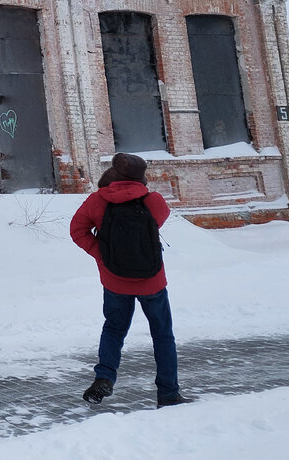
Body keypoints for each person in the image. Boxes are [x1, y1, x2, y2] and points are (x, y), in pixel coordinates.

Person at [70, 152, 192, 408]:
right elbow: (156, 222)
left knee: (113, 329)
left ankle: (105, 377)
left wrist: (103, 256)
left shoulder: (96, 201)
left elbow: (77, 230)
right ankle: (168, 393)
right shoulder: (155, 202)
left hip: (114, 280)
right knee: (162, 335)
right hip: (152, 280)